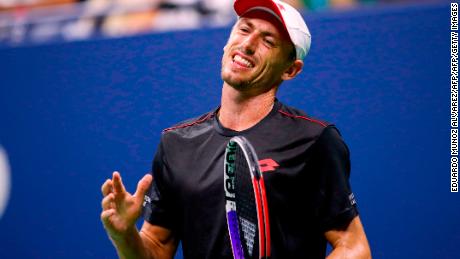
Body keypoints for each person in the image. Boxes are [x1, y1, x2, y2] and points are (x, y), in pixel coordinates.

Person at [100, 0, 372, 258]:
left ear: (290, 70)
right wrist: (124, 236)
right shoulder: (175, 144)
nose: (248, 44)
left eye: (268, 41)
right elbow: (157, 248)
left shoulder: (314, 140)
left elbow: (354, 247)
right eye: (244, 29)